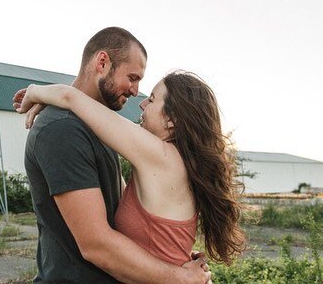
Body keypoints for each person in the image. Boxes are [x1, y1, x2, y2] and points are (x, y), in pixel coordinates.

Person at [20, 27, 211, 284]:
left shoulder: (105, 130)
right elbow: (97, 244)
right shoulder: (63, 129)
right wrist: (179, 274)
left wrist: (171, 254)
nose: (136, 92)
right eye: (132, 77)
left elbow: (128, 209)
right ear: (102, 62)